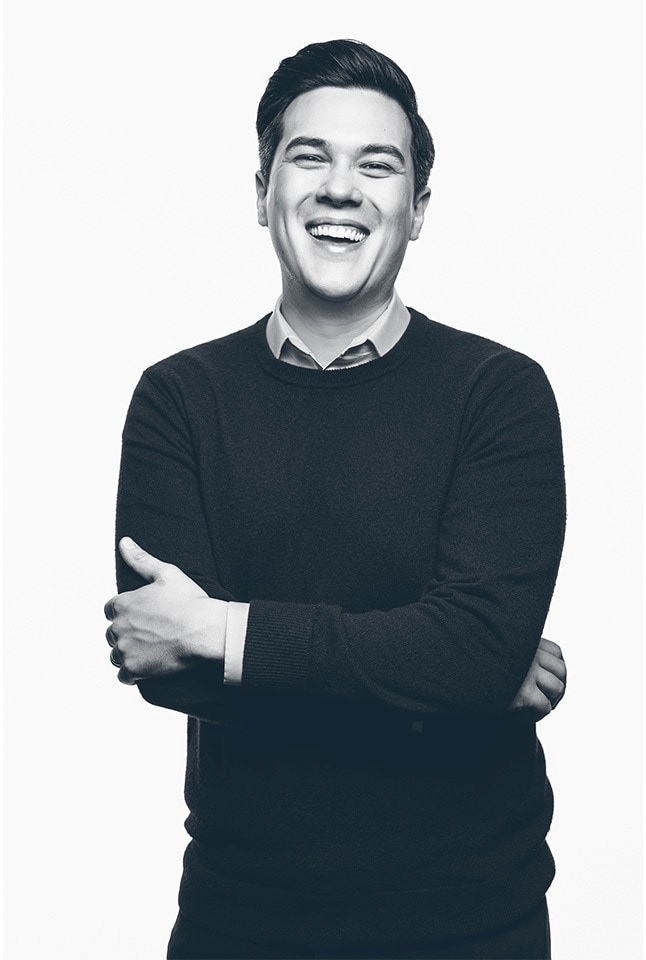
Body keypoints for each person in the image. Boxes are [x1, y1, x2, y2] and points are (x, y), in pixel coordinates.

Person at [104, 39, 567, 960]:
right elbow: (167, 663)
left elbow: (471, 655)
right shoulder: (179, 400)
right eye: (309, 156)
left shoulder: (499, 393)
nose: (341, 189)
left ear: (418, 208)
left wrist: (224, 632)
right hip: (240, 924)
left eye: (377, 165)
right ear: (263, 192)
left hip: (471, 925)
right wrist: (452, 678)